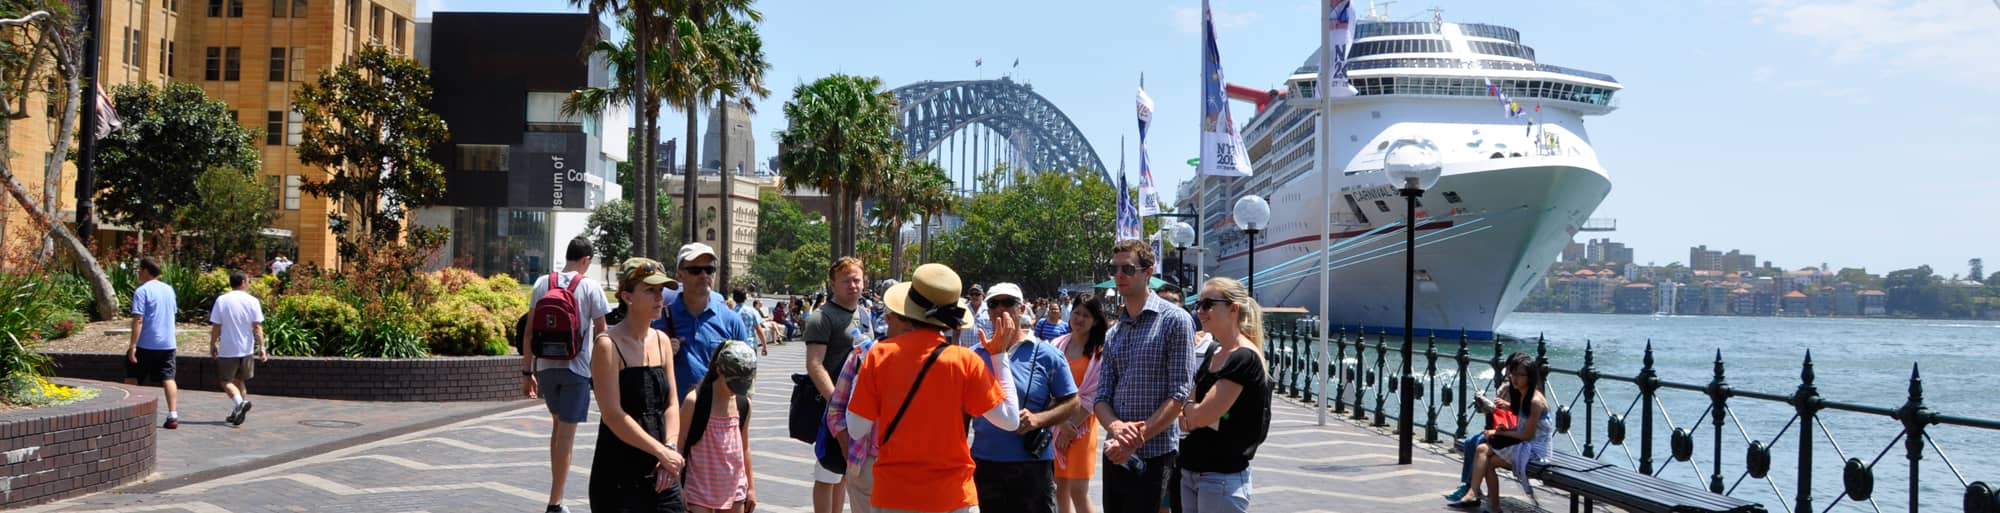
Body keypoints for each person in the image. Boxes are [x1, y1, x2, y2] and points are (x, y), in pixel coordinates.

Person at [846, 263, 1021, 513]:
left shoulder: (879, 356)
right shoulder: (965, 360)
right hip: (953, 497)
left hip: (894, 495)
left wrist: (862, 371)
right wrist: (1000, 357)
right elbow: (1010, 420)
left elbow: (856, 429)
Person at [1095, 239, 1196, 513]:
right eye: (1113, 268)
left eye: (1127, 269)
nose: (1118, 276)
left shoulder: (1175, 320)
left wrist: (1135, 438)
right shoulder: (1114, 331)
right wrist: (1116, 429)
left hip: (1153, 453)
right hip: (1115, 453)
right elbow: (1101, 397)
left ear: (1148, 272)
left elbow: (1179, 395)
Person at [654, 242, 756, 510]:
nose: (704, 275)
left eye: (709, 268)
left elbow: (745, 371)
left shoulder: (729, 319)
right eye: (695, 269)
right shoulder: (662, 317)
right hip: (674, 417)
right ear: (680, 274)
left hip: (717, 420)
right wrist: (663, 347)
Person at [970, 283, 1081, 513]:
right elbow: (961, 412)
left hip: (1032, 465)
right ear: (988, 310)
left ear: (1021, 308)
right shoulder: (974, 355)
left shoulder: (1047, 354)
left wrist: (1039, 419)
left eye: (1008, 303)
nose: (1000, 309)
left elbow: (1072, 402)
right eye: (994, 304)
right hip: (985, 462)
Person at [522, 238, 613, 513]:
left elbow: (528, 333)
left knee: (557, 428)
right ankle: (555, 502)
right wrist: (603, 373)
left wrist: (527, 372)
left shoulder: (542, 283)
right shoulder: (589, 286)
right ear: (586, 259)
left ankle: (556, 494)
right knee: (566, 435)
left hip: (547, 369)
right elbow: (603, 334)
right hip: (577, 369)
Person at [589, 258, 687, 512]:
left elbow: (672, 403)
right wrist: (661, 454)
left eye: (660, 291)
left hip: (661, 473)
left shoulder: (663, 340)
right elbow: (613, 414)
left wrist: (669, 450)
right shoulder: (608, 345)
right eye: (649, 290)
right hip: (619, 475)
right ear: (627, 296)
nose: (659, 298)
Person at [1176, 278, 1272, 513]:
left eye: (1208, 304)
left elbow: (1196, 416)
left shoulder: (1243, 358)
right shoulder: (1215, 352)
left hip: (1220, 477)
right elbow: (1188, 418)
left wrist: (1191, 409)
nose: (1200, 310)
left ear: (1233, 308)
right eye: (1198, 304)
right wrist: (1193, 411)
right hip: (1192, 471)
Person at [804, 256, 873, 513]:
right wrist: (837, 402)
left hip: (859, 407)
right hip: (832, 408)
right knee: (826, 473)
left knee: (845, 471)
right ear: (833, 284)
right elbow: (814, 364)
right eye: (846, 281)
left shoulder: (864, 314)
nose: (853, 286)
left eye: (857, 280)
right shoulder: (822, 317)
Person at [1464, 354, 1551, 513]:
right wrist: (1505, 428)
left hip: (1534, 451)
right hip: (1525, 445)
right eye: (1513, 373)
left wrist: (1502, 434)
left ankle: (1490, 505)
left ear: (1530, 377)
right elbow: (1522, 422)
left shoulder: (1534, 401)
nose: (1515, 378)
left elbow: (1528, 435)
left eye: (1520, 375)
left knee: (1487, 461)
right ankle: (1475, 493)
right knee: (1481, 449)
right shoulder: (1525, 394)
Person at [680, 340, 759, 513]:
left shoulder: (743, 403)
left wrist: (751, 488)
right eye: (732, 384)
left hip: (734, 488)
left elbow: (745, 448)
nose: (735, 390)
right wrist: (678, 485)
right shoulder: (695, 401)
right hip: (698, 489)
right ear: (718, 370)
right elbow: (679, 445)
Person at [1053, 294, 1109, 513]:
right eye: (1076, 312)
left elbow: (1093, 395)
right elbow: (1047, 386)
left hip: (1083, 427)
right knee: (1059, 486)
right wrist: (1061, 424)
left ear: (1095, 321)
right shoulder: (1056, 345)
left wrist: (1070, 428)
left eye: (1086, 315)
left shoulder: (1100, 353)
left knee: (1078, 490)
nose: (1079, 318)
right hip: (1057, 423)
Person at [1443, 356, 1522, 506]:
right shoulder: (1505, 388)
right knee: (1469, 442)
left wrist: (1503, 407)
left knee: (1480, 445)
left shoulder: (1525, 393)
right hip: (1499, 429)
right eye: (1510, 372)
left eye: (1516, 372)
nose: (1511, 376)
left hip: (1510, 435)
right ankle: (1468, 486)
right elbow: (1496, 416)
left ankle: (1470, 488)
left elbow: (1521, 417)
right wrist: (1485, 405)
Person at [825, 313, 884, 513]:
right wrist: (848, 449)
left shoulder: (930, 359)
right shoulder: (863, 354)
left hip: (912, 469)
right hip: (868, 462)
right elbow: (836, 409)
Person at [126, 257, 183, 429]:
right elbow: (173, 313)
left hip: (146, 343)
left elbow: (138, 319)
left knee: (132, 377)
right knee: (168, 377)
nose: (138, 273)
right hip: (168, 343)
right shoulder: (169, 290)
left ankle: (129, 414)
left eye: (139, 270)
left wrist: (133, 345)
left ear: (145, 271)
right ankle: (173, 415)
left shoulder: (142, 291)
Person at [207, 271, 267, 426]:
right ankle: (238, 410)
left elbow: (216, 326)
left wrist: (213, 344)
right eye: (248, 281)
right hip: (246, 348)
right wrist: (262, 347)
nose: (249, 283)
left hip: (228, 348)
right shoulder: (252, 301)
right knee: (240, 381)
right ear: (242, 282)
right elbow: (257, 326)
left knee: (226, 381)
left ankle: (240, 403)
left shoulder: (222, 300)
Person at [735, 290, 768, 356]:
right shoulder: (752, 311)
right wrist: (764, 347)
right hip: (750, 345)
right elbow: (759, 330)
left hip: (736, 348)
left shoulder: (731, 312)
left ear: (734, 298)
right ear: (745, 298)